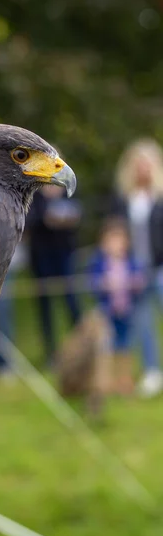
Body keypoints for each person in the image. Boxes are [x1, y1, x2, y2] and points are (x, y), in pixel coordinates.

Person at [110, 139, 163, 396]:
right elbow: (117, 235)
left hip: (160, 267)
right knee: (143, 323)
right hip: (134, 271)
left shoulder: (160, 197)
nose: (143, 169)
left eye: (147, 164)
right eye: (138, 164)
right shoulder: (123, 199)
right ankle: (152, 371)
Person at [89, 218, 146, 394]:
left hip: (127, 311)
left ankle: (125, 380)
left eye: (119, 240)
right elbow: (93, 284)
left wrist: (136, 283)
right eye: (111, 240)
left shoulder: (132, 261)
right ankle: (108, 382)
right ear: (103, 243)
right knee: (108, 347)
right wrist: (103, 284)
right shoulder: (99, 263)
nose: (116, 245)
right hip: (108, 311)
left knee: (126, 346)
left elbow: (141, 281)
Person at [26, 184, 82, 365]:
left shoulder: (67, 190)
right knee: (45, 305)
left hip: (65, 254)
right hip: (41, 257)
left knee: (72, 301)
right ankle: (51, 352)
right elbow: (28, 220)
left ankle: (82, 347)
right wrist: (45, 218)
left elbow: (79, 214)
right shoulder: (33, 193)